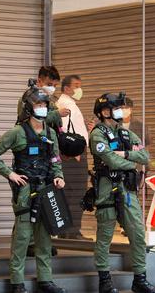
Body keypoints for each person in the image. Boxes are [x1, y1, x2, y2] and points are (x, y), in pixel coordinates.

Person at [0, 87, 66, 293]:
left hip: (47, 189)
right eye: (38, 105)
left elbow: (55, 159)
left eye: (44, 105)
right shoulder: (17, 132)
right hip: (26, 191)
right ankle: (17, 282)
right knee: (22, 238)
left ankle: (46, 280)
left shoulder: (50, 133)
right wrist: (10, 174)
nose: (42, 109)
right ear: (28, 108)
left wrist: (59, 176)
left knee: (44, 238)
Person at [89, 92, 155, 293]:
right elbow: (110, 160)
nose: (122, 111)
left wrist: (126, 154)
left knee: (138, 234)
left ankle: (140, 279)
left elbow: (145, 156)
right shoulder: (97, 134)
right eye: (117, 107)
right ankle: (104, 280)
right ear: (105, 112)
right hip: (106, 190)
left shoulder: (126, 133)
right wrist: (130, 163)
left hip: (127, 191)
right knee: (105, 236)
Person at [57, 74, 91, 240]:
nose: (79, 89)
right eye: (76, 85)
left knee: (71, 193)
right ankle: (72, 230)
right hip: (73, 157)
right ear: (66, 88)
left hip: (74, 154)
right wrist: (74, 152)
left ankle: (68, 229)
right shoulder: (65, 104)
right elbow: (64, 132)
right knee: (75, 193)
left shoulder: (71, 104)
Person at [18, 66, 70, 131]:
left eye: (55, 85)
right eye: (49, 84)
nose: (52, 88)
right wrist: (57, 113)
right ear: (39, 81)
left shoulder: (47, 98)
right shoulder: (30, 97)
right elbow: (33, 119)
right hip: (31, 137)